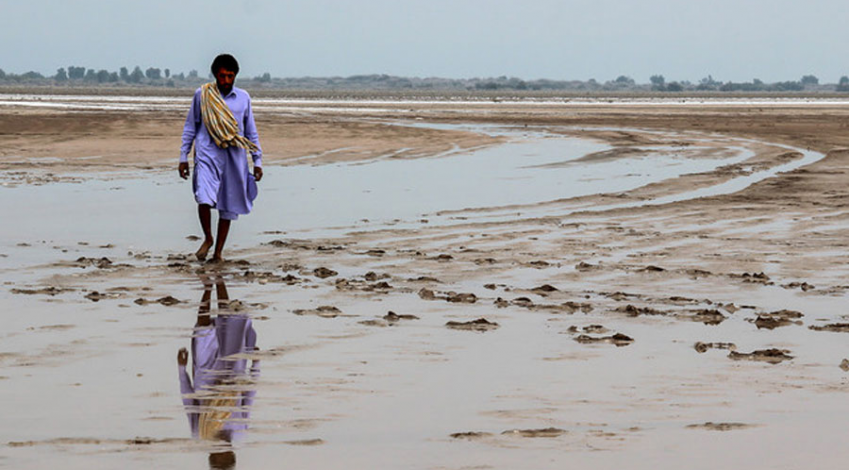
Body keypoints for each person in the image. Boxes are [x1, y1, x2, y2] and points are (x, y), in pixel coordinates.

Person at [179, 53, 263, 262]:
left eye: (230, 76)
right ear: (215, 75)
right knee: (203, 196)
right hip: (207, 153)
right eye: (222, 76)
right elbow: (191, 126)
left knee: (228, 205)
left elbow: (250, 132)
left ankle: (217, 253)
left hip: (234, 157)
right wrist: (183, 156)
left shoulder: (243, 98)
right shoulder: (203, 95)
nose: (226, 81)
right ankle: (208, 238)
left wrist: (257, 160)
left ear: (235, 76)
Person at [177, 275, 259, 468]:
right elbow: (249, 397)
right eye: (226, 454)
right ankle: (220, 279)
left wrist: (182, 369)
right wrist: (256, 365)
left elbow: (189, 402)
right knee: (228, 322)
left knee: (203, 327)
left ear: (211, 456)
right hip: (233, 373)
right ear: (232, 453)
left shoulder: (201, 433)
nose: (222, 449)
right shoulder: (239, 431)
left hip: (205, 377)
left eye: (218, 455)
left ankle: (207, 287)